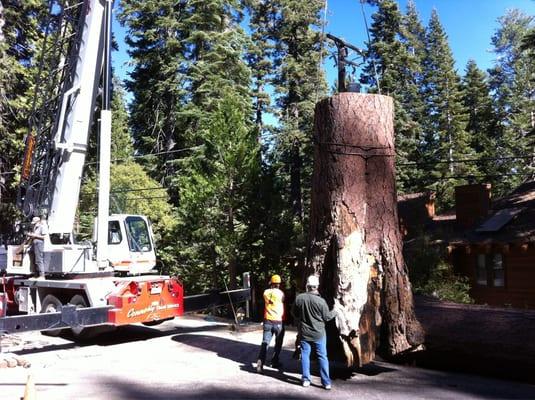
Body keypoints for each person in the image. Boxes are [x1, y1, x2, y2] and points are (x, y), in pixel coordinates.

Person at [292, 275, 337, 390]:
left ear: (307, 285)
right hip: (319, 334)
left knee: (305, 355)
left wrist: (301, 319)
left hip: (305, 333)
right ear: (317, 286)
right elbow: (327, 317)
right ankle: (326, 382)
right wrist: (336, 311)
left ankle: (306, 380)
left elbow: (294, 313)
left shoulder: (299, 298)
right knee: (322, 356)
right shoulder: (321, 302)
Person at [256, 274, 285, 373]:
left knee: (265, 343)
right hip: (278, 322)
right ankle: (274, 361)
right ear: (279, 284)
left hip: (267, 321)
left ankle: (260, 363)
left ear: (271, 283)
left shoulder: (265, 293)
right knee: (278, 343)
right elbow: (283, 300)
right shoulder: (281, 294)